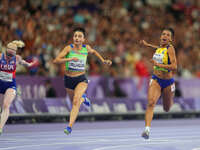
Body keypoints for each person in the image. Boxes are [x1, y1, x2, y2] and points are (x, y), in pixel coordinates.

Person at [53, 27, 112, 135]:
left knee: (75, 101)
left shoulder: (86, 48)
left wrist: (103, 60)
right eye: (75, 36)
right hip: (68, 79)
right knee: (74, 102)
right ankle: (83, 98)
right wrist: (69, 59)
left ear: (83, 39)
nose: (77, 38)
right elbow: (56, 60)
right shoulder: (68, 49)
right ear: (73, 38)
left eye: (79, 36)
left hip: (81, 79)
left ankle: (69, 126)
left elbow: (94, 52)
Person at [140, 28, 177, 139]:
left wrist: (158, 64)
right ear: (161, 36)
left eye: (168, 35)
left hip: (168, 82)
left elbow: (174, 66)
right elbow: (158, 48)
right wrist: (147, 45)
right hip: (156, 79)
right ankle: (147, 129)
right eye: (163, 34)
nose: (165, 36)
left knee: (167, 108)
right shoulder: (160, 48)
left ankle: (171, 94)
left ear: (170, 39)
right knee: (151, 103)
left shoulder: (170, 49)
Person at [0, 40, 36, 134]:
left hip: (10, 85)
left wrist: (30, 64)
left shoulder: (17, 58)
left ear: (15, 53)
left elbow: (24, 63)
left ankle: (0, 127)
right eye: (8, 53)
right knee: (1, 106)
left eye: (12, 53)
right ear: (5, 50)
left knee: (6, 105)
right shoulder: (0, 57)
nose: (9, 56)